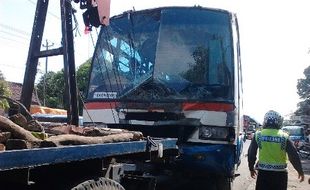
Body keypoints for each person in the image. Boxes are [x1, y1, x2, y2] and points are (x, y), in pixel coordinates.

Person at [248, 110, 304, 190]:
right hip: (280, 175)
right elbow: (293, 155)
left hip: (264, 173)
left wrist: (251, 168)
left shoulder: (258, 135)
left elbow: (251, 154)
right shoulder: (284, 136)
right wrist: (300, 170)